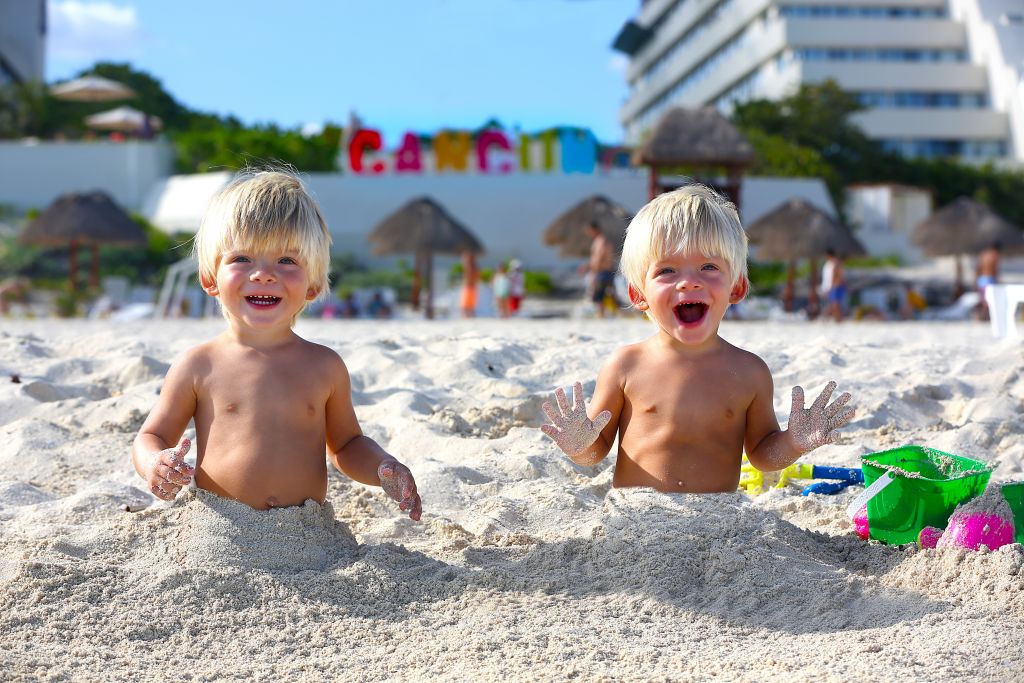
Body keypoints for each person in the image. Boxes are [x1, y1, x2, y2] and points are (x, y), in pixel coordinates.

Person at [130, 170, 422, 519]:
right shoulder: (198, 365)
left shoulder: (324, 366)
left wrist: (382, 468)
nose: (264, 274)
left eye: (286, 261)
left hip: (308, 535)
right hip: (219, 532)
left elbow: (346, 446)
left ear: (313, 285)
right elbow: (152, 435)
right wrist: (154, 464)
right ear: (210, 279)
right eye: (242, 259)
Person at [540, 185, 855, 493]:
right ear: (638, 294)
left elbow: (762, 454)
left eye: (708, 266)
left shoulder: (749, 372)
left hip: (720, 526)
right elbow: (597, 450)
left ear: (736, 288)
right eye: (667, 271)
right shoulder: (625, 365)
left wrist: (793, 443)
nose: (689, 282)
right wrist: (579, 446)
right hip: (637, 521)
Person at [583, 221, 619, 318]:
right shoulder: (600, 240)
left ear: (595, 229)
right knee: (608, 293)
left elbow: (599, 258)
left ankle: (602, 314)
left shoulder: (601, 241)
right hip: (605, 270)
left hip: (603, 271)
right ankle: (609, 313)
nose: (589, 233)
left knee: (601, 294)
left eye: (590, 231)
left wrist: (594, 272)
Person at [976, 241, 1001, 319]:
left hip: (981, 279)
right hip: (990, 279)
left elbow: (978, 268)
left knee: (983, 299)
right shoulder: (995, 255)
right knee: (991, 299)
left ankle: (981, 316)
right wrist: (997, 280)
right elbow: (995, 270)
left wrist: (976, 280)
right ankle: (986, 316)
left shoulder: (983, 254)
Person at [821, 249, 846, 323]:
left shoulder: (835, 263)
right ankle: (836, 319)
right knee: (834, 304)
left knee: (835, 304)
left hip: (835, 285)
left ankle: (838, 319)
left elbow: (837, 275)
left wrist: (832, 285)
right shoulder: (829, 263)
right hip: (833, 286)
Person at [460, 250, 479, 318]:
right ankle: (468, 314)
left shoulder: (472, 265)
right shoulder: (471, 265)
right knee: (467, 303)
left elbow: (476, 275)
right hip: (470, 285)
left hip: (470, 286)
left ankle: (469, 314)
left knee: (469, 303)